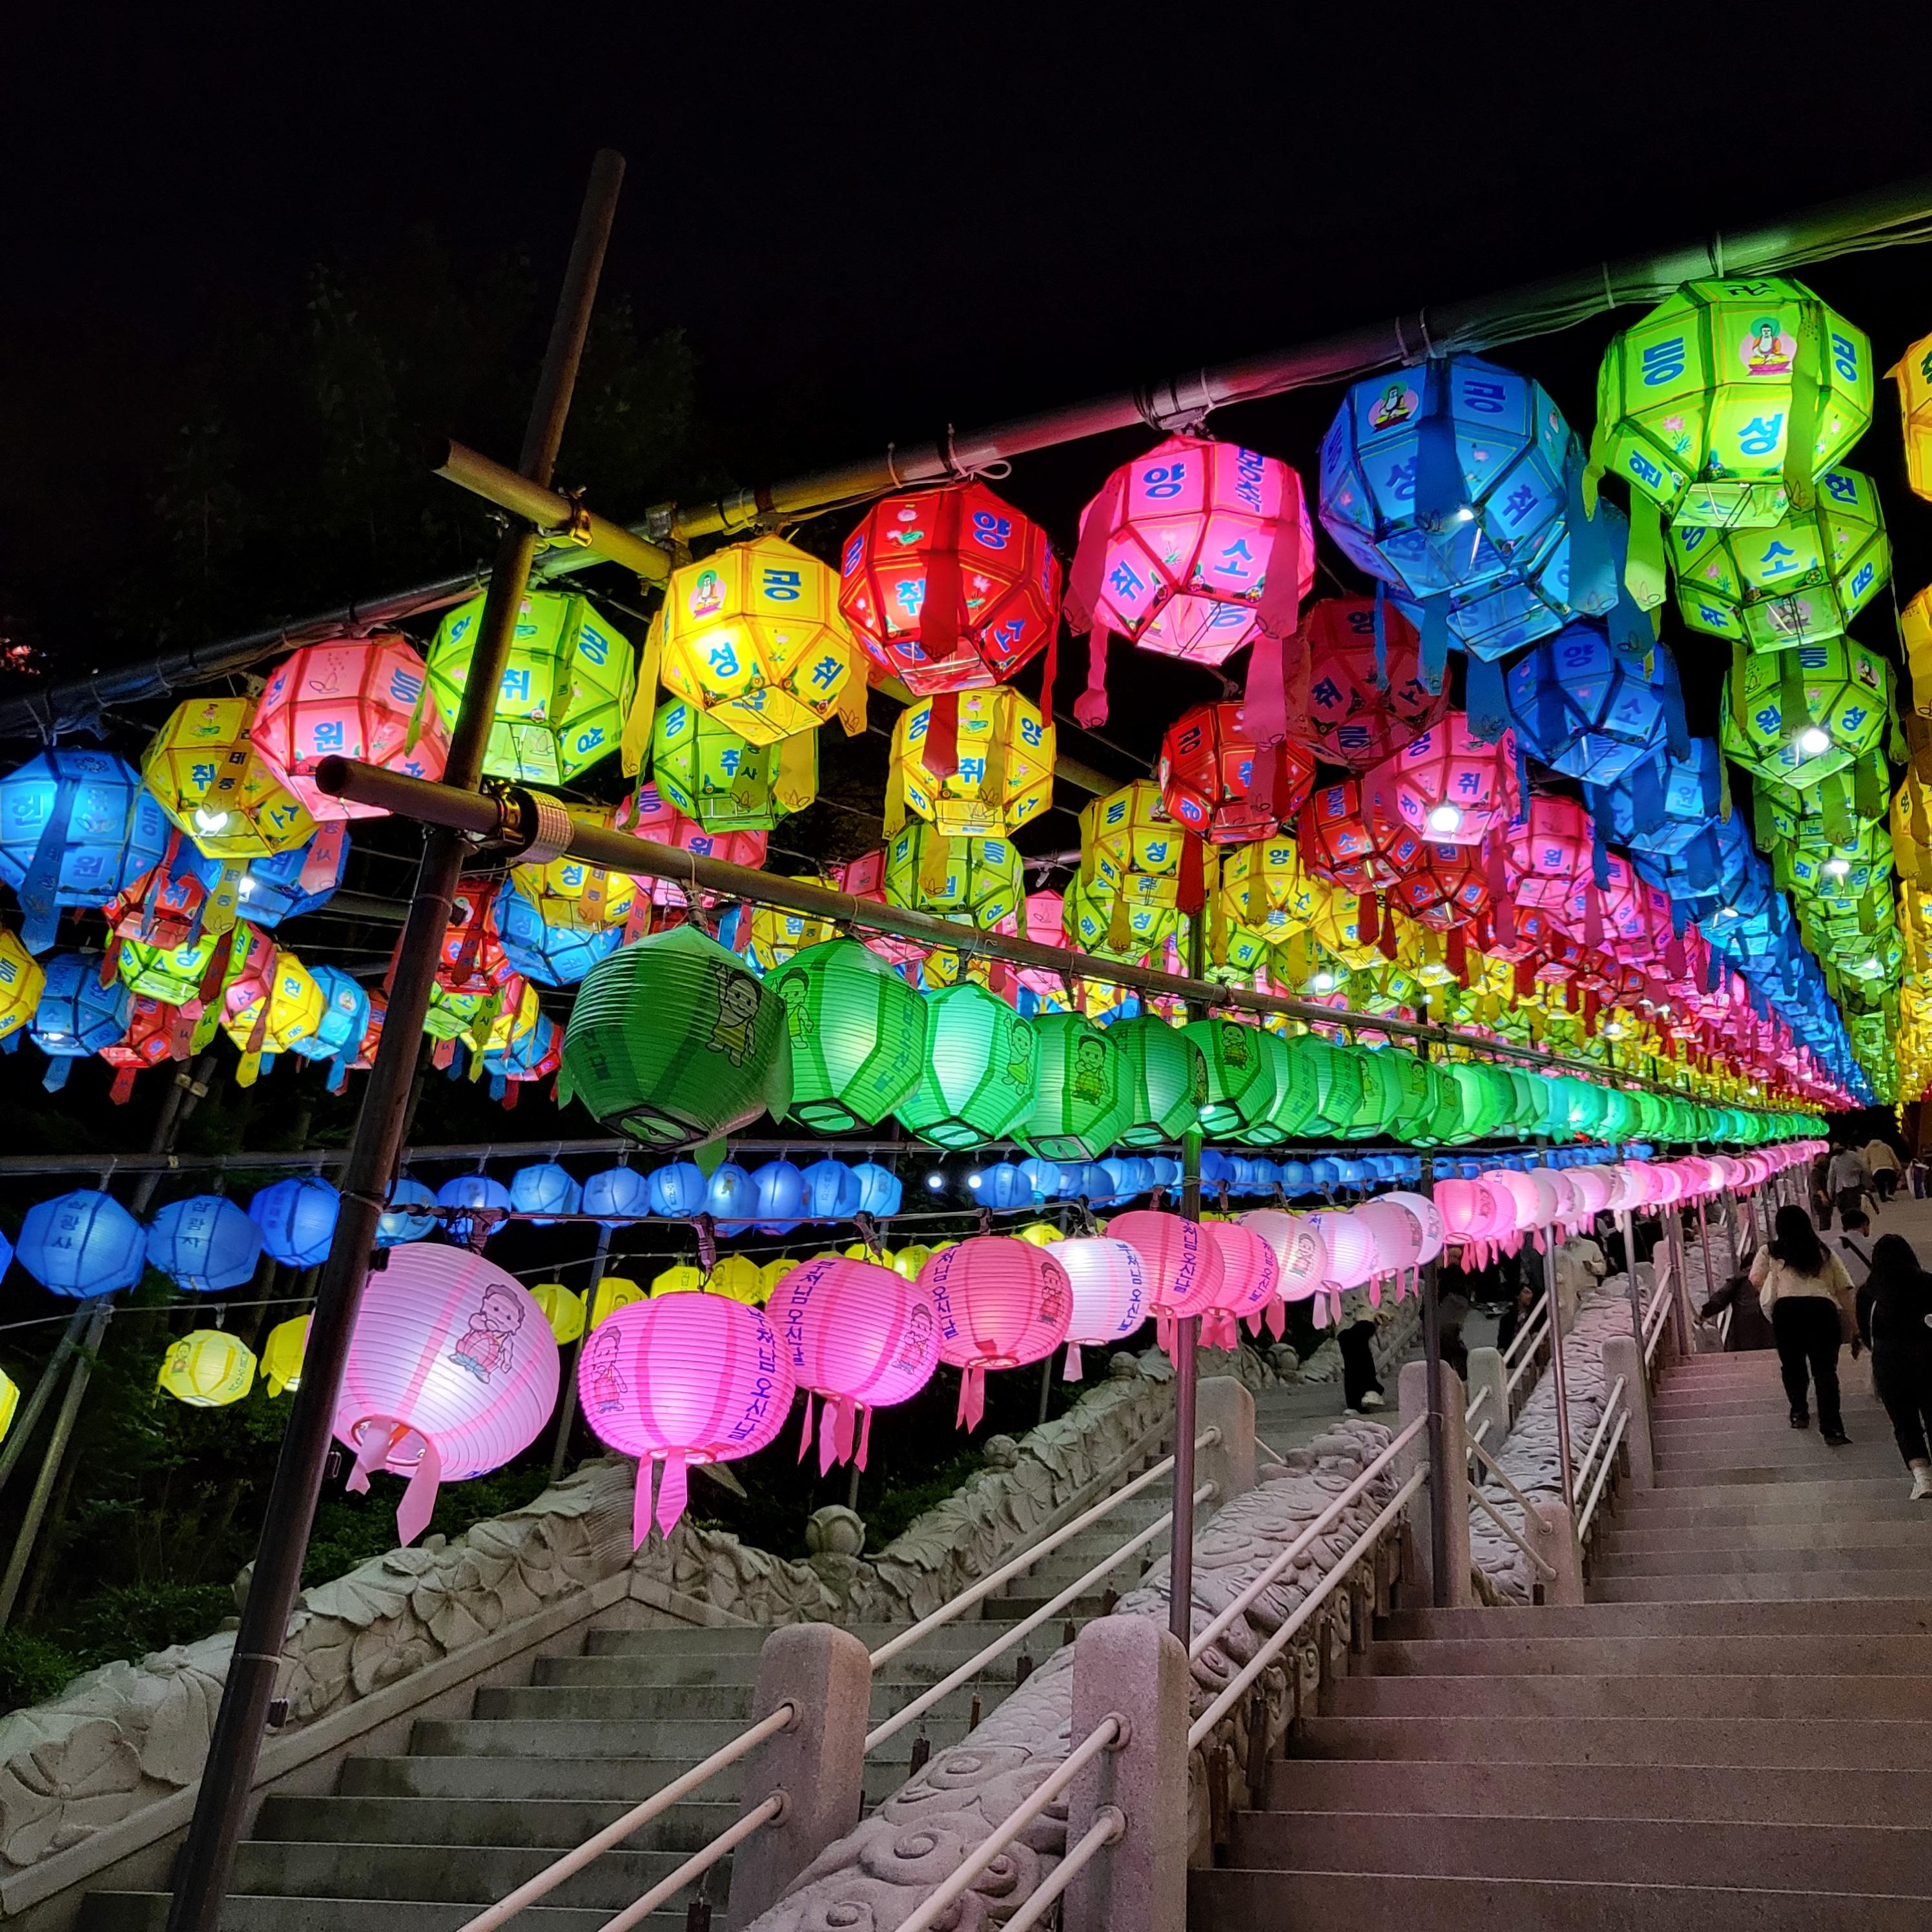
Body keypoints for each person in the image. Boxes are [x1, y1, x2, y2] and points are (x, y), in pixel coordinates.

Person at [1752, 1205, 1858, 1444]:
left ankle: (1799, 1412)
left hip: (1787, 1311)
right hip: (1822, 1310)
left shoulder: (1770, 1251)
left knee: (1793, 1365)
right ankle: (1832, 1428)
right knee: (1825, 1370)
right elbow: (1843, 1290)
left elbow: (1756, 1280)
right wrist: (1855, 1325)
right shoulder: (1823, 1252)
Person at [1856, 1233, 1932, 1500]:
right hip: (1928, 1356)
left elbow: (1866, 1334)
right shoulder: (1928, 1282)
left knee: (1904, 1422)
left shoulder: (1868, 1292)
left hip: (1888, 1362)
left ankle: (1923, 1479)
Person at [1336, 1286, 1386, 1413]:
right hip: (1345, 1315)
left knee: (1358, 1336)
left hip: (1369, 1310)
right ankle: (1355, 1403)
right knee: (1347, 1343)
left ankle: (1372, 1389)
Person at [1827, 1142, 1870, 1229]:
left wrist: (1860, 1172)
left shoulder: (1852, 1155)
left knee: (1854, 1206)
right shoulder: (1834, 1160)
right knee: (1842, 1207)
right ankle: (1848, 1225)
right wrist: (1830, 1190)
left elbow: (1863, 1167)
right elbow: (1831, 1176)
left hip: (1853, 1185)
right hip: (1840, 1188)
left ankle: (1857, 1224)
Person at [1495, 1280, 1538, 1357]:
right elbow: (1503, 1342)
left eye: (1531, 1293)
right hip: (1514, 1353)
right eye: (1526, 1293)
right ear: (1518, 1296)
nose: (1530, 1296)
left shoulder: (1535, 1315)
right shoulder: (1507, 1319)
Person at [1864, 1137, 1903, 1203]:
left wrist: (1869, 1172)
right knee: (1892, 1183)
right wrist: (1899, 1167)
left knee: (1880, 1186)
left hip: (1876, 1170)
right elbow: (1894, 1157)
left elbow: (1866, 1162)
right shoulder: (1886, 1146)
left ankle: (1883, 1198)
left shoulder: (1867, 1149)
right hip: (1889, 1168)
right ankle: (1890, 1194)